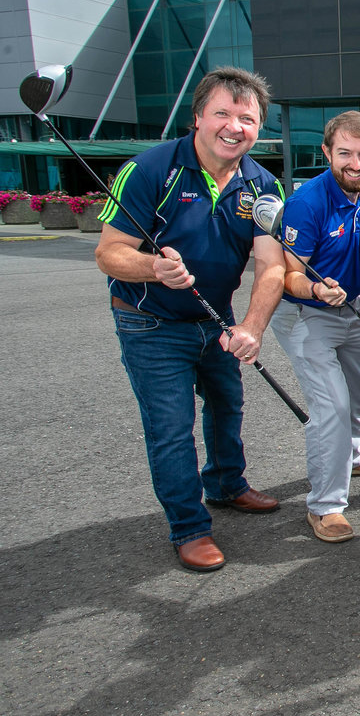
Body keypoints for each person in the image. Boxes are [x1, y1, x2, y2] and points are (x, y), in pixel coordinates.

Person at [95, 67, 288, 573]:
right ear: (199, 116)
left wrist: (250, 327)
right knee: (171, 429)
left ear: (258, 127)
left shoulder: (263, 184)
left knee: (227, 404)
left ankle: (226, 484)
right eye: (222, 113)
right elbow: (109, 253)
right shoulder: (148, 170)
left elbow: (272, 266)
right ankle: (189, 527)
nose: (234, 126)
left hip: (216, 320)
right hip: (150, 323)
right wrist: (152, 268)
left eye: (246, 118)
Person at [269, 110, 360, 544]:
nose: (355, 163)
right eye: (344, 154)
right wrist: (318, 290)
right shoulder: (305, 203)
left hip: (353, 304)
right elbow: (289, 276)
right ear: (326, 153)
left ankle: (353, 455)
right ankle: (325, 506)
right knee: (332, 406)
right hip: (305, 311)